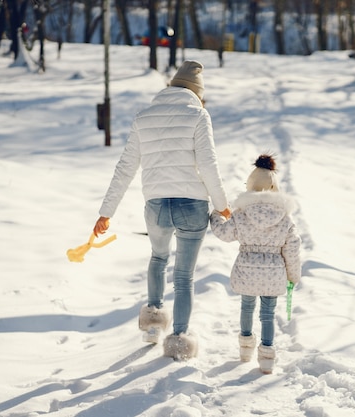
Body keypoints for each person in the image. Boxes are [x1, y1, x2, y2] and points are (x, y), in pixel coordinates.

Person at [93, 60, 231, 361]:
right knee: (184, 276)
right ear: (197, 91)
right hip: (191, 204)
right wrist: (222, 206)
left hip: (155, 205)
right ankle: (179, 339)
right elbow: (208, 165)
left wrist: (106, 213)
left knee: (158, 257)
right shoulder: (198, 115)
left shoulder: (144, 117)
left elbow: (125, 168)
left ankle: (153, 325)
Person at [209, 154, 301, 373]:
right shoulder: (285, 218)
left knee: (247, 307)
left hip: (246, 270)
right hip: (274, 271)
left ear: (250, 185)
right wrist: (293, 276)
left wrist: (215, 214)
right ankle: (267, 357)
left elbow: (224, 233)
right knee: (268, 314)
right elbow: (293, 248)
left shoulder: (241, 214)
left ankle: (245, 349)